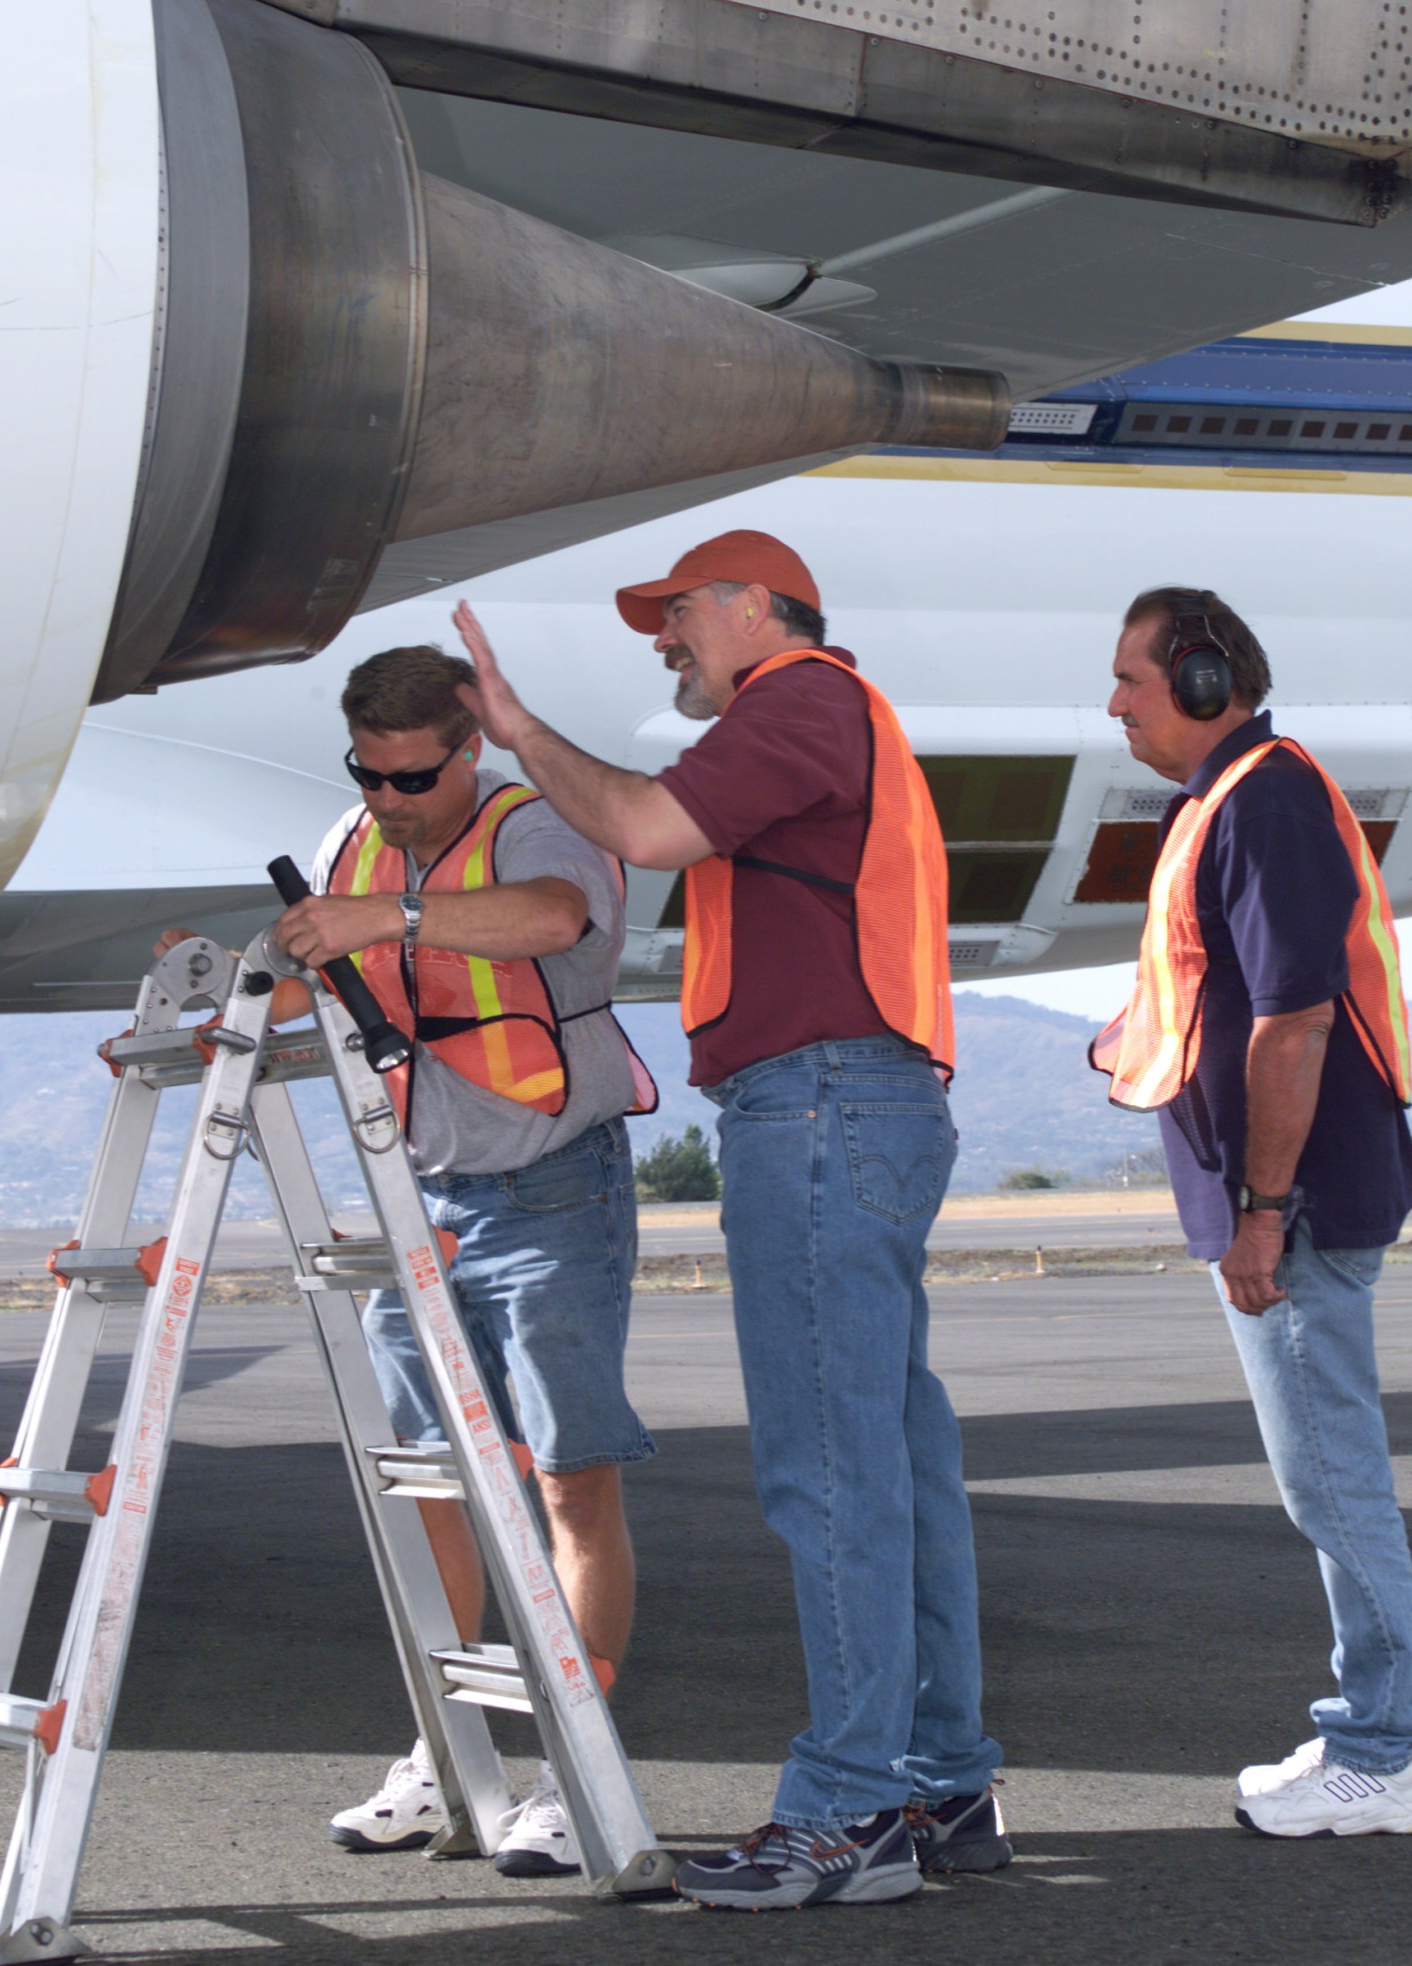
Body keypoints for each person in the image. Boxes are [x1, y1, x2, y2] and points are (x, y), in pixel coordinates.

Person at [451, 529, 1008, 1911]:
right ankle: (938, 1777)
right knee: (894, 1462)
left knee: (828, 1469)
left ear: (758, 606)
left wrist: (518, 731)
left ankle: (851, 1807)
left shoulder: (801, 698)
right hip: (860, 1102)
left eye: (679, 610)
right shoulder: (833, 713)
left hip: (819, 1110)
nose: (663, 636)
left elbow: (642, 826)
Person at [263, 644, 656, 1875]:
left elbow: (551, 921)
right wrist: (206, 999)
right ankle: (449, 1755)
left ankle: (571, 1766)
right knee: (428, 1478)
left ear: (465, 748)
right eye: (367, 776)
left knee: (567, 1483)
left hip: (550, 1194)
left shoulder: (539, 829)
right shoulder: (355, 838)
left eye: (412, 776)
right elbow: (303, 972)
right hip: (415, 1203)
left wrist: (390, 912)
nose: (387, 800)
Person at [1092, 586, 1412, 1839]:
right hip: (1273, 1205)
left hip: (1287, 1212)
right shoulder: (1222, 803)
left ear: (1199, 681)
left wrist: (1259, 1211)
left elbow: (1292, 1019)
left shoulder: (1264, 797)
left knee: (1328, 1477)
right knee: (1322, 1475)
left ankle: (1389, 1745)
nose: (1116, 703)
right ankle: (1376, 1726)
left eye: (1131, 679)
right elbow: (1227, 998)